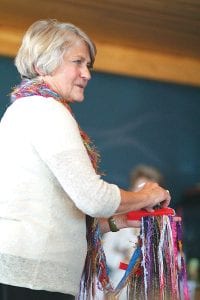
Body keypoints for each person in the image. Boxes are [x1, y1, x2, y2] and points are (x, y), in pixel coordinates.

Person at [0, 19, 171, 300]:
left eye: (87, 65)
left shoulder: (26, 108)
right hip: (32, 278)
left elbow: (56, 211)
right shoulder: (46, 111)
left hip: (25, 272)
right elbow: (94, 198)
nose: (86, 74)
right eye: (78, 62)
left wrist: (119, 221)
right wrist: (145, 195)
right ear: (43, 65)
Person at [103, 165, 166, 298]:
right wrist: (125, 263)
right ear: (131, 192)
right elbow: (106, 251)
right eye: (140, 191)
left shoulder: (165, 224)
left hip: (152, 286)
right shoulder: (119, 219)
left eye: (151, 192)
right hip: (121, 283)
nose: (145, 197)